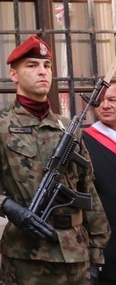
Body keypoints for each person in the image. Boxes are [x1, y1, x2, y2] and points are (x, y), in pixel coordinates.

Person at [0, 35, 110, 284]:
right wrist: (8, 207)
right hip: (27, 258)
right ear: (14, 75)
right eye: (32, 65)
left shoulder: (68, 128)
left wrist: (96, 254)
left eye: (46, 66)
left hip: (76, 255)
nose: (42, 72)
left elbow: (88, 189)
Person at [83, 78, 116, 284]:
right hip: (104, 244)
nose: (104, 105)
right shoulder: (83, 141)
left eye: (112, 100)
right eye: (100, 100)